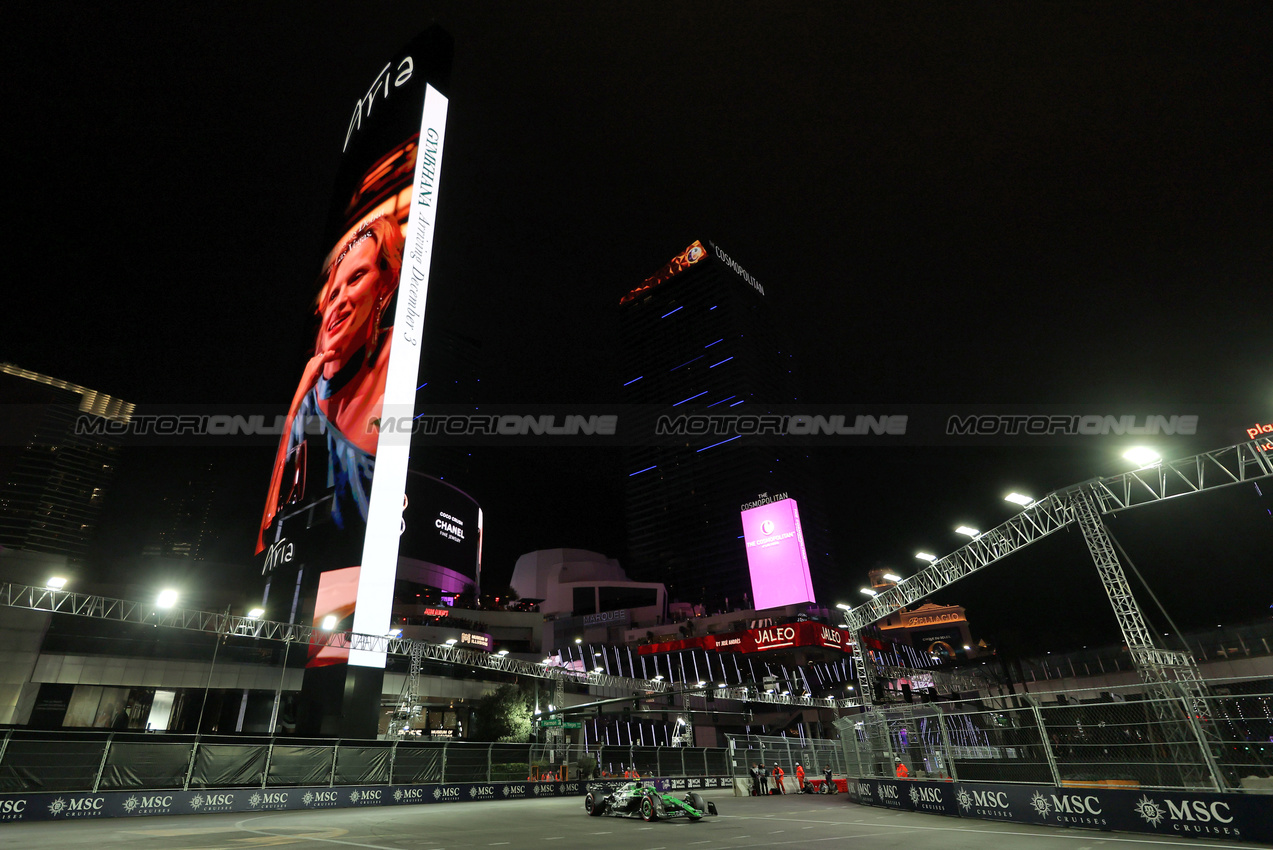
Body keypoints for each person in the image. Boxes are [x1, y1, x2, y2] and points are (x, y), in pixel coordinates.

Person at [257, 215, 405, 554]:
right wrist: (297, 402)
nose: (338, 302)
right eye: (332, 292)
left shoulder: (398, 355)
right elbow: (267, 533)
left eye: (357, 278)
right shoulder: (308, 401)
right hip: (305, 575)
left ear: (385, 283)